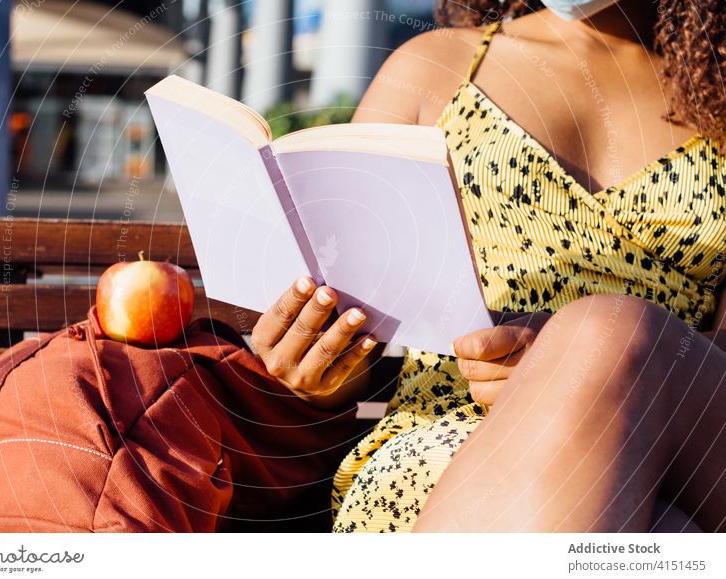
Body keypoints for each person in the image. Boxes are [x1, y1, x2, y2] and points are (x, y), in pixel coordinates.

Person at [251, 0, 726, 532]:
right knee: (664, 537)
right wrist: (319, 365)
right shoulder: (433, 71)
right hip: (440, 450)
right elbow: (356, 323)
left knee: (607, 333)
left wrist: (573, 363)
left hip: (679, 445)